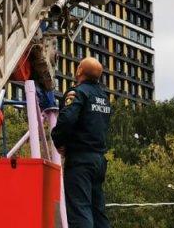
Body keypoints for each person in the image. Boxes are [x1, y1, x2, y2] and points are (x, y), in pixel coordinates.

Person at [51, 57, 112, 228]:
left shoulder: (78, 93)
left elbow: (67, 120)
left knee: (80, 210)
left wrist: (59, 141)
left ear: (79, 71)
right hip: (99, 160)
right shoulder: (104, 97)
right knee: (98, 212)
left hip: (80, 161)